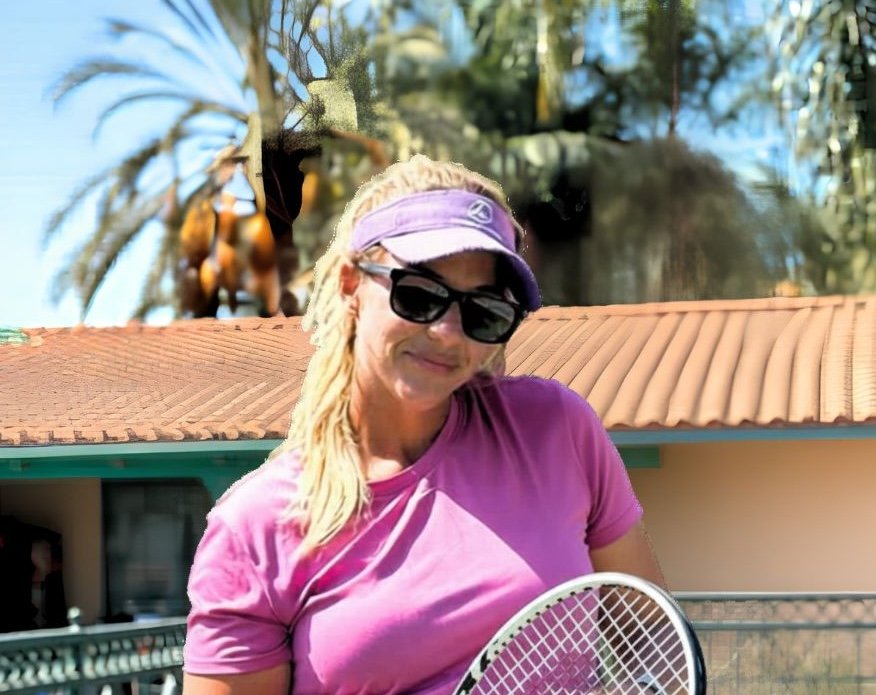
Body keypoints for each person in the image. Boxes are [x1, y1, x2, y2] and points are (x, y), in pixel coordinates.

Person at [182, 154, 666, 695]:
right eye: (418, 294)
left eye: (484, 311)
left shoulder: (557, 430)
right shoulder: (254, 527)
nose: (448, 333)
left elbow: (647, 631)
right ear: (350, 285)